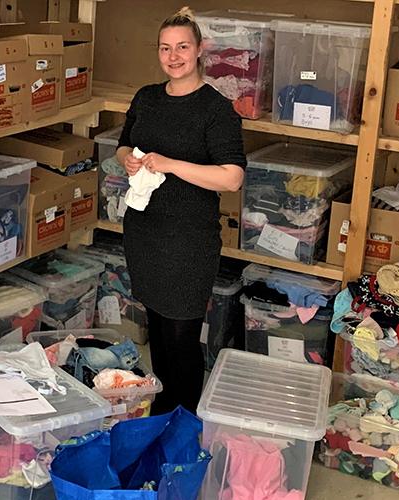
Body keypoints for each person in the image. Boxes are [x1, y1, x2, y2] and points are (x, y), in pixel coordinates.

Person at [115, 7, 246, 415]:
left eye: (183, 47)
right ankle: (161, 413)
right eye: (165, 48)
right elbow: (123, 143)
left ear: (200, 49)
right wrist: (128, 161)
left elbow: (232, 178)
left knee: (182, 335)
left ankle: (184, 424)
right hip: (145, 231)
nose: (174, 57)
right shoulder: (147, 98)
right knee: (156, 327)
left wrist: (170, 164)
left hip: (188, 237)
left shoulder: (215, 109)